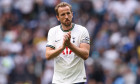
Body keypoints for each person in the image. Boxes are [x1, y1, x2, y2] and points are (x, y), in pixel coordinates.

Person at [46, 2, 90, 84]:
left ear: (72, 14)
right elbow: (48, 55)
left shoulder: (82, 30)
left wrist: (69, 45)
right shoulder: (53, 31)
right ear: (57, 17)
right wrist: (62, 47)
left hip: (77, 80)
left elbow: (85, 54)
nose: (66, 17)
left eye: (68, 13)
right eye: (62, 14)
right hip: (59, 81)